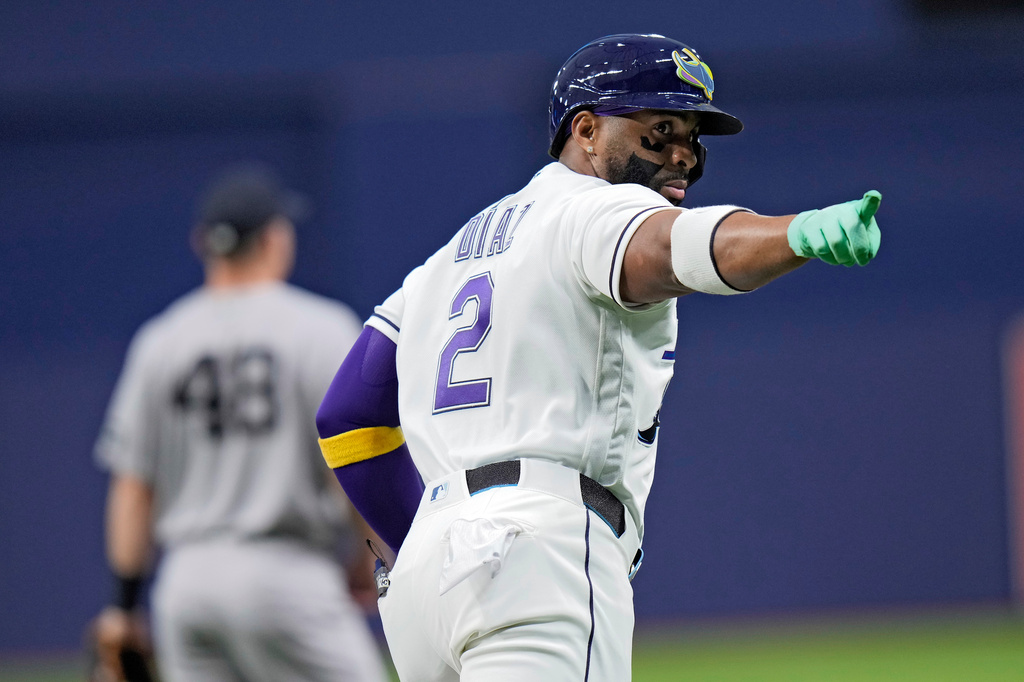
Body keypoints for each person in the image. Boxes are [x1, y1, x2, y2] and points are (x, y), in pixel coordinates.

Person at [314, 33, 883, 682]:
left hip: (428, 587)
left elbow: (349, 411)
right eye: (657, 131)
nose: (681, 157)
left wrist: (419, 533)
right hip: (538, 553)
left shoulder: (450, 258)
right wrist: (797, 232)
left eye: (692, 138)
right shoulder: (595, 211)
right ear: (585, 130)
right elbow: (670, 249)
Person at [91, 164, 389, 682]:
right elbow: (352, 454)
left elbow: (133, 487)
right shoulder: (320, 328)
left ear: (204, 244)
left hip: (186, 587)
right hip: (286, 574)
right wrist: (371, 556)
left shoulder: (160, 340)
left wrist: (123, 605)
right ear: (274, 238)